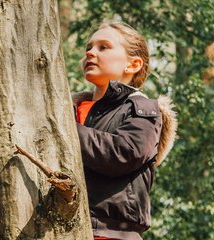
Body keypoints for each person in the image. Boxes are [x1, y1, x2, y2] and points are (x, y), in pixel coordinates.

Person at [72, 21, 177, 240]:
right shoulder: (67, 110)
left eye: (104, 47)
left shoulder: (144, 110)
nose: (90, 52)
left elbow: (123, 153)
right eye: (88, 48)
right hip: (59, 227)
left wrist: (65, 132)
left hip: (112, 233)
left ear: (133, 65)